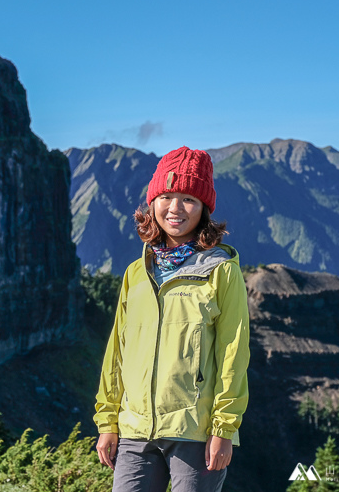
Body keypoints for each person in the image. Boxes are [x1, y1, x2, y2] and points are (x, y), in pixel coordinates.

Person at [93, 146, 249, 492]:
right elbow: (117, 353)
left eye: (189, 199)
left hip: (194, 432)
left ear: (204, 209)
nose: (175, 208)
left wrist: (223, 429)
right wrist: (108, 421)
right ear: (152, 203)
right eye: (167, 196)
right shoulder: (136, 273)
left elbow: (233, 354)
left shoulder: (221, 272)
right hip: (135, 431)